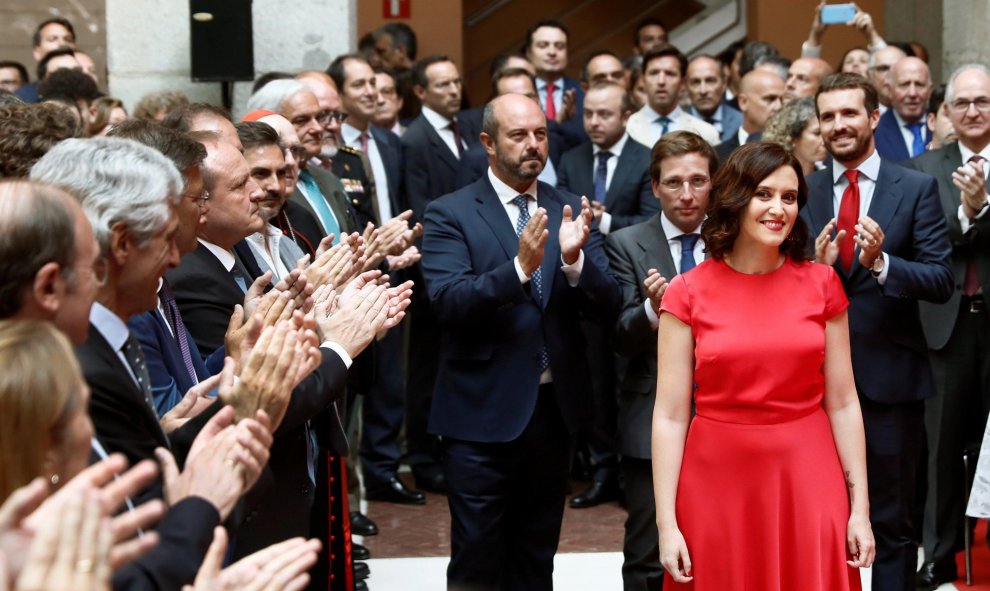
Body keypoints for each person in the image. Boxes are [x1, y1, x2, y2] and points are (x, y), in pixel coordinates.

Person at [420, 93, 620, 590]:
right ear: (487, 142)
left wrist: (574, 263)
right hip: (479, 416)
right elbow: (447, 302)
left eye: (540, 134)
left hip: (553, 413)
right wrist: (517, 270)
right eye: (519, 135)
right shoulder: (450, 213)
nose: (533, 145)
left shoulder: (569, 206)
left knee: (536, 558)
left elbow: (609, 303)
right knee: (477, 561)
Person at [653, 141, 875, 589]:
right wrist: (666, 524)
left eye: (789, 197)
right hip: (715, 480)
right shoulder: (686, 293)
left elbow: (844, 402)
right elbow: (671, 416)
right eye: (764, 194)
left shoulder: (822, 284)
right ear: (735, 199)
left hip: (808, 475)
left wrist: (860, 511)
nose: (779, 209)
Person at [803, 72, 953, 591]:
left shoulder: (915, 187)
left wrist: (884, 263)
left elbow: (940, 279)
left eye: (849, 113)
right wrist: (811, 269)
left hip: (891, 385)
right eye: (828, 116)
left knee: (891, 523)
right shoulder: (800, 189)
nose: (839, 125)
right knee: (822, 522)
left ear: (874, 117)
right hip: (812, 390)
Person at [605, 130, 716, 589]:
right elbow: (618, 335)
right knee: (650, 549)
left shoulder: (735, 242)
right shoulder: (627, 243)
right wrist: (656, 308)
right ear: (654, 187)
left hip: (724, 414)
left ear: (714, 183)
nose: (687, 195)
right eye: (673, 183)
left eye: (697, 181)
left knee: (715, 543)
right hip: (650, 416)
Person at [906, 64, 990, 591]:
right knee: (940, 447)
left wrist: (981, 207)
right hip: (946, 326)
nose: (973, 111)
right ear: (946, 112)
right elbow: (929, 245)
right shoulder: (923, 168)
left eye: (982, 102)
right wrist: (967, 211)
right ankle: (939, 555)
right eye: (962, 103)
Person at [627, 45, 720, 148]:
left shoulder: (705, 133)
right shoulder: (627, 129)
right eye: (654, 73)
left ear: (683, 83)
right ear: (643, 80)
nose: (661, 81)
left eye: (670, 74)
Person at [715, 69, 785, 161]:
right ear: (743, 102)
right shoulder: (717, 155)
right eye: (770, 99)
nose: (778, 106)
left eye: (782, 99)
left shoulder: (793, 151)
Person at [875, 57, 932, 161]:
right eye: (904, 85)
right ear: (889, 91)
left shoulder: (944, 127)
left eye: (919, 85)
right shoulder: (874, 132)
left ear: (930, 90)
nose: (912, 93)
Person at [684, 54, 742, 142]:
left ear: (724, 84)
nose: (703, 91)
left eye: (710, 81)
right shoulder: (677, 125)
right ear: (686, 86)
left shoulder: (741, 123)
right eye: (695, 82)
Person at [763, 96, 826, 175]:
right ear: (793, 138)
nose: (824, 141)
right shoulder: (773, 176)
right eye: (816, 134)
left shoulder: (827, 174)